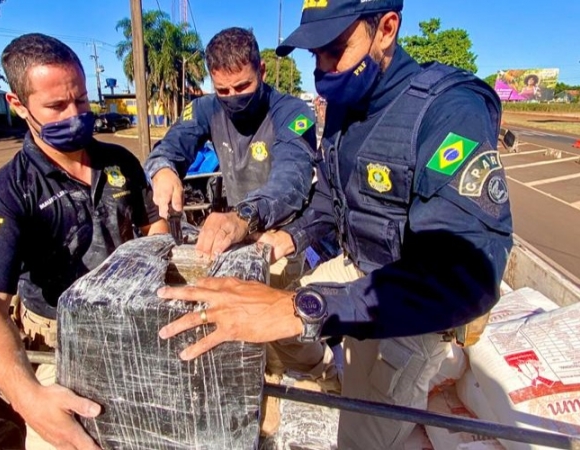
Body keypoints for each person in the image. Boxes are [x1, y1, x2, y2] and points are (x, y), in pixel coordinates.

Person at [157, 1, 513, 449]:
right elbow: (329, 194)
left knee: (360, 438)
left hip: (410, 303)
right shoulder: (348, 106)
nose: (323, 70)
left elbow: (467, 275)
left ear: (386, 29)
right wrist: (284, 239)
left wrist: (303, 309)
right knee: (269, 318)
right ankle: (332, 369)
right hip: (356, 268)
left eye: (335, 50)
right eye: (314, 56)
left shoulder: (448, 109)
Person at [0, 33, 168, 450]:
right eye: (56, 107)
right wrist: (29, 398)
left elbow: (154, 228)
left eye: (82, 101)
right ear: (18, 105)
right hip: (60, 347)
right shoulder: (6, 194)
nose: (76, 115)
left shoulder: (120, 162)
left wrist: (154, 285)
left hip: (134, 325)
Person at [144, 27, 317, 271]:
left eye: (242, 86)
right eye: (223, 90)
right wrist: (163, 168)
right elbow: (174, 143)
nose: (233, 97)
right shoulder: (206, 108)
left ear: (262, 71)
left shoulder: (294, 112)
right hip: (235, 231)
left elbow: (292, 179)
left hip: (280, 238)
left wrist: (246, 215)